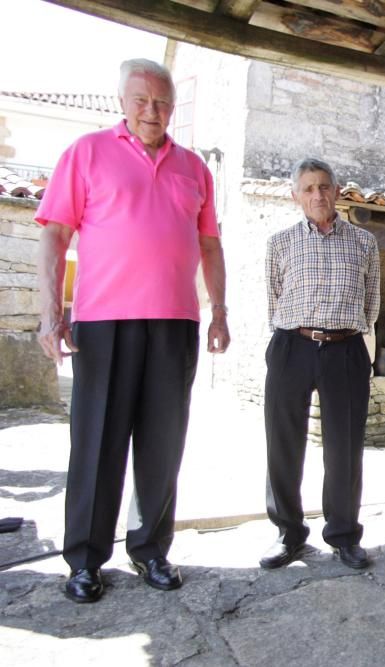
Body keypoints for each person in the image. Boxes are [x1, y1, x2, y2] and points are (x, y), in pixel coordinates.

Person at [35, 59, 230, 603]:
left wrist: (219, 309)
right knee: (97, 442)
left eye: (163, 102)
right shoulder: (87, 153)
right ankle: (84, 559)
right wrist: (52, 314)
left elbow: (210, 246)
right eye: (141, 100)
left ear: (174, 106)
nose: (153, 111)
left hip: (174, 323)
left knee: (163, 443)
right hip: (103, 323)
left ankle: (150, 550)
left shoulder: (195, 168)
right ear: (121, 101)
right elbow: (53, 237)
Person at [259, 158, 380, 571]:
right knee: (283, 443)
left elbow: (371, 303)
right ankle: (288, 533)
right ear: (296, 196)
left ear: (337, 191)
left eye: (324, 186)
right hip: (292, 344)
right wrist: (294, 335)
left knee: (344, 447)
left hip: (345, 348)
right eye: (308, 188)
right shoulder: (280, 243)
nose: (317, 195)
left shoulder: (364, 243)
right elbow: (275, 299)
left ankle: (344, 534)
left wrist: (358, 345)